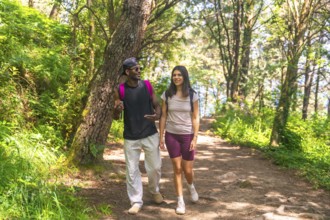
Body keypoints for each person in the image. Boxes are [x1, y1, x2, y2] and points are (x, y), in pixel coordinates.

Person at [113, 57, 163, 215]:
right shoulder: (120, 90)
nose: (139, 71)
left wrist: (157, 115)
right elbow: (115, 116)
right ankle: (136, 201)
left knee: (155, 167)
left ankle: (154, 190)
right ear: (127, 72)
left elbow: (157, 105)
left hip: (150, 133)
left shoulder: (147, 85)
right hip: (130, 136)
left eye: (140, 68)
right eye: (136, 69)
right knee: (132, 170)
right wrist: (117, 109)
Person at [159, 65, 200, 215]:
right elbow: (163, 116)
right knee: (176, 169)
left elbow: (195, 117)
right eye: (174, 75)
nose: (176, 77)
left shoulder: (192, 95)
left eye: (179, 75)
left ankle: (191, 186)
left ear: (184, 77)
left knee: (187, 169)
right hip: (172, 135)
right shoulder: (167, 94)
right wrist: (161, 136)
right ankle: (180, 201)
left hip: (187, 135)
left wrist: (195, 137)